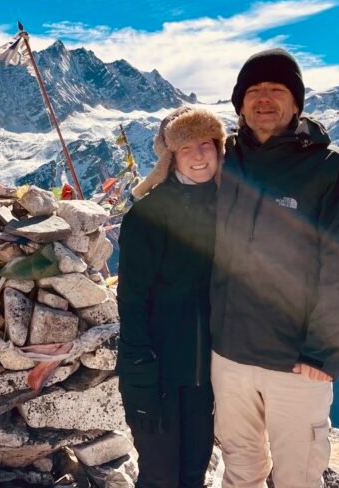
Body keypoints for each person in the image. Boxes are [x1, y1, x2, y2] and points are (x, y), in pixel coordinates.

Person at [209, 48, 339, 488]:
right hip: (227, 357)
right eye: (254, 91)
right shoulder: (221, 160)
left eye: (276, 90)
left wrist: (323, 352)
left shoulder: (329, 167)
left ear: (297, 103)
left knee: (298, 477)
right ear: (239, 103)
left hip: (296, 364)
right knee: (240, 470)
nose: (264, 99)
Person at [117, 106, 226, 488]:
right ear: (170, 158)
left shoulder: (227, 208)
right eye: (185, 148)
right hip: (158, 372)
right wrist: (139, 370)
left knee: (193, 472)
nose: (199, 156)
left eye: (206, 144)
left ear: (219, 148)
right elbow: (131, 299)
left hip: (204, 376)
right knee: (161, 476)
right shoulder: (148, 214)